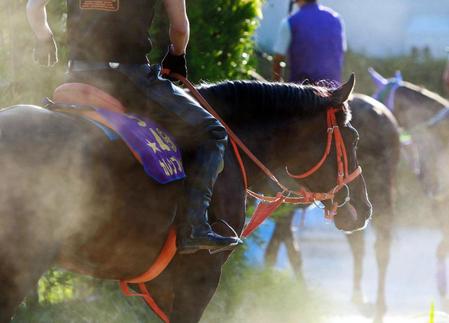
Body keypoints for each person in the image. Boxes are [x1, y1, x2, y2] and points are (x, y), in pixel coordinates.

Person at [26, 0, 241, 254]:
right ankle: (194, 226)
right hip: (130, 80)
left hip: (81, 77)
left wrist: (44, 38)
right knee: (212, 132)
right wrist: (177, 54)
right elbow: (180, 29)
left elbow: (34, 6)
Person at [272, 0, 346, 84]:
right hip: (332, 92)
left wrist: (278, 86)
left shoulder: (290, 22)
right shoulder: (336, 19)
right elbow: (341, 53)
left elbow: (278, 59)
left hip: (301, 92)